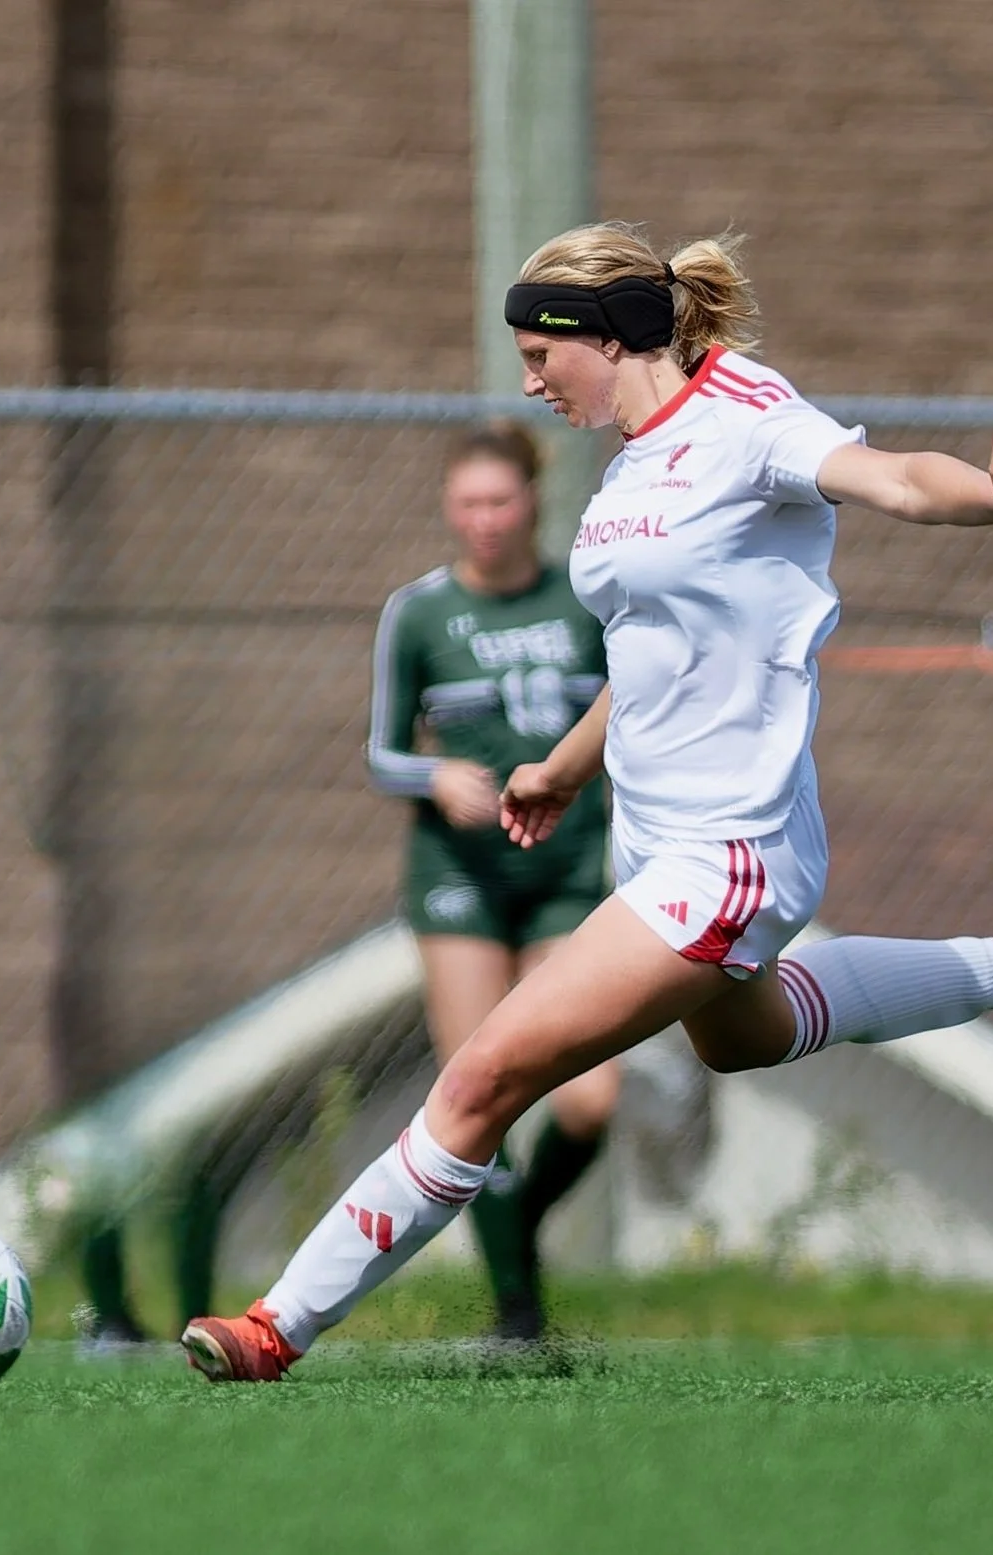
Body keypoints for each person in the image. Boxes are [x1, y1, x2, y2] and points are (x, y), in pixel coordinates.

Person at [181, 223, 993, 1382]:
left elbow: (889, 480)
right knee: (748, 1038)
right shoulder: (633, 463)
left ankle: (278, 1324)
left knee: (483, 1077)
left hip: (729, 850)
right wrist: (568, 764)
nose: (530, 382)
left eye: (541, 353)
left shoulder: (745, 418)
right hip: (654, 840)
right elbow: (647, 651)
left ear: (607, 334)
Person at [367, 420, 620, 1340]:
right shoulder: (421, 612)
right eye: (467, 502)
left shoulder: (583, 599)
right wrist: (432, 774)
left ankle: (517, 1226)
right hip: (459, 880)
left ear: (533, 503)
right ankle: (520, 1317)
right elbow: (380, 752)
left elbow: (630, 713)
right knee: (475, 1093)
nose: (483, 519)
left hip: (564, 874)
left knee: (590, 1099)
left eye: (499, 500)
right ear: (449, 508)